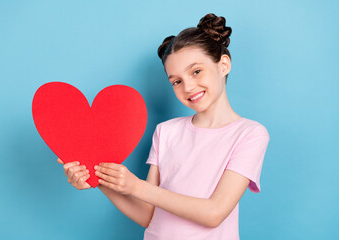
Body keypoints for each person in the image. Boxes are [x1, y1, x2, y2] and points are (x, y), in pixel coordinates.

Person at [57, 13, 270, 240]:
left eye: (196, 71)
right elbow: (148, 215)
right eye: (176, 81)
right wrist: (97, 178)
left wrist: (136, 187)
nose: (188, 87)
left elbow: (214, 213)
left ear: (224, 65)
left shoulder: (249, 134)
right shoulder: (166, 131)